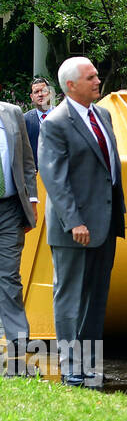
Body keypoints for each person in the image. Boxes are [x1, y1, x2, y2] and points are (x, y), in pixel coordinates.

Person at [38, 58, 126, 387]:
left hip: (104, 222)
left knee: (95, 298)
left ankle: (89, 364)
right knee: (71, 297)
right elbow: (55, 179)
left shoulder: (102, 114)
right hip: (74, 227)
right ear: (70, 85)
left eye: (96, 75)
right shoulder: (56, 122)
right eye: (90, 77)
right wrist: (74, 220)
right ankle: (70, 367)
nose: (97, 81)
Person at [0, 98, 38, 377]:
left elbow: (27, 160)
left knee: (9, 277)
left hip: (11, 208)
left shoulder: (12, 113)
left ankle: (18, 351)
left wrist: (32, 202)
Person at [24, 77, 55, 156]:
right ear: (32, 97)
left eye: (44, 91)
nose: (40, 94)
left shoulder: (63, 116)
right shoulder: (25, 120)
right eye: (36, 92)